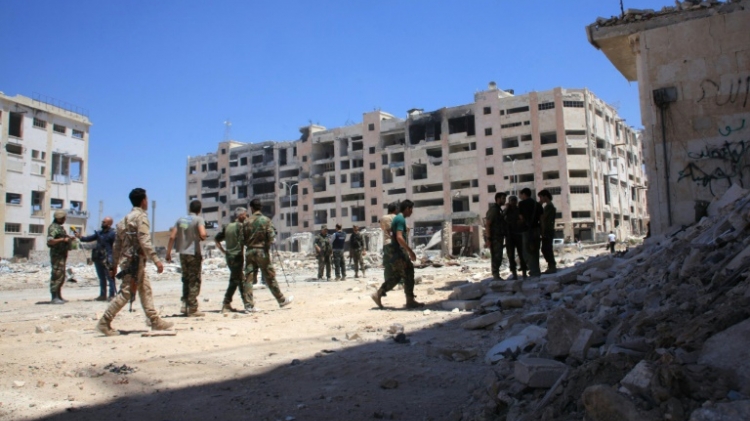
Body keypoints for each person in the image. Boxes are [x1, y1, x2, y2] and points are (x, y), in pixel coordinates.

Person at [96, 188, 173, 336]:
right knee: (126, 293)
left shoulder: (122, 221)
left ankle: (154, 320)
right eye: (147, 198)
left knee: (145, 289)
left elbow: (116, 246)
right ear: (143, 200)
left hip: (129, 261)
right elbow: (145, 241)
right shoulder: (140, 218)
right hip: (134, 261)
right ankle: (104, 322)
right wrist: (156, 260)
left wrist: (114, 265)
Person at [241, 198, 293, 311]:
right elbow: (271, 237)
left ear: (252, 208)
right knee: (269, 276)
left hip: (250, 251)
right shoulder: (266, 220)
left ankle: (248, 305)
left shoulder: (247, 222)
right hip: (262, 252)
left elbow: (242, 239)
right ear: (261, 207)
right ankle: (281, 300)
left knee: (248, 278)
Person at [371, 200, 424, 309]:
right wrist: (410, 251)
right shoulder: (399, 219)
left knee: (398, 275)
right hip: (398, 251)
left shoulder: (394, 219)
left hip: (393, 250)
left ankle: (379, 293)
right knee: (408, 271)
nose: (412, 212)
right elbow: (399, 237)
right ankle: (409, 300)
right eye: (411, 209)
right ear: (407, 209)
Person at [166, 200, 207, 317]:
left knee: (186, 279)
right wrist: (201, 237)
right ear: (199, 209)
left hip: (182, 253)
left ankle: (185, 305)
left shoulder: (181, 220)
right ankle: (193, 308)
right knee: (194, 280)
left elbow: (172, 236)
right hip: (193, 253)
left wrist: (168, 253)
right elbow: (203, 234)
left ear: (189, 208)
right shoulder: (198, 219)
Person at [215, 207, 250, 313]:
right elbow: (245, 241)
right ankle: (226, 303)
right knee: (235, 280)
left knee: (239, 279)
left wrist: (223, 251)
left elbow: (217, 239)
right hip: (237, 257)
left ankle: (247, 303)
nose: (246, 216)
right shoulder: (240, 226)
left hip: (229, 256)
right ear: (240, 216)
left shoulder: (227, 227)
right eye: (245, 215)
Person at [77, 217, 117, 301]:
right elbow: (88, 239)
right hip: (98, 257)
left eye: (104, 222)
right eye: (102, 222)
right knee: (101, 277)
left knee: (110, 277)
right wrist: (80, 237)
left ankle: (112, 295)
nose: (102, 223)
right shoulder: (99, 233)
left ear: (109, 224)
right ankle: (102, 295)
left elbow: (117, 246)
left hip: (107, 258)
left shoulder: (112, 234)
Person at [47, 209, 75, 304]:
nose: (64, 219)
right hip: (57, 256)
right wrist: (63, 239)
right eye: (63, 218)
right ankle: (54, 297)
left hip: (62, 255)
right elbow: (50, 241)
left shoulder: (59, 227)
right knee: (56, 275)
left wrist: (69, 238)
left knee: (61, 276)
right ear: (59, 218)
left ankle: (58, 296)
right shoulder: (53, 228)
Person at [518, 188, 543, 278]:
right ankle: (536, 270)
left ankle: (533, 271)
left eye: (520, 194)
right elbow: (541, 218)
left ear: (524, 194)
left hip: (526, 230)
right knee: (535, 250)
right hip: (536, 229)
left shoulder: (521, 204)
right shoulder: (537, 204)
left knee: (527, 251)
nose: (520, 196)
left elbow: (521, 217)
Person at [484, 192, 507, 280]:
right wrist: (489, 239)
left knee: (499, 256)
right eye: (503, 198)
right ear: (498, 199)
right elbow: (488, 224)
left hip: (499, 237)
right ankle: (495, 274)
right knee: (496, 256)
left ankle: (496, 274)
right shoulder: (494, 210)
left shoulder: (498, 209)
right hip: (494, 238)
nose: (504, 200)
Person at [504, 196, 527, 280]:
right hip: (509, 235)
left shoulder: (519, 210)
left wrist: (520, 222)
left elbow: (523, 220)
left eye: (514, 201)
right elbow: (502, 218)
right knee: (511, 255)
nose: (513, 202)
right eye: (511, 201)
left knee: (521, 254)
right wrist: (506, 209)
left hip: (518, 234)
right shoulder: (506, 211)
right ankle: (514, 273)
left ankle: (524, 271)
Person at [538, 189, 557, 274]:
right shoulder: (549, 206)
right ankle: (551, 265)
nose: (540, 199)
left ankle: (552, 265)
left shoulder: (549, 207)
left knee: (546, 248)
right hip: (548, 230)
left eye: (541, 197)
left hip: (548, 230)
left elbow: (543, 218)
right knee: (546, 248)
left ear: (545, 197)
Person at [380, 202, 398, 286]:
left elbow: (383, 228)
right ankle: (400, 283)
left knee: (387, 265)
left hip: (386, 243)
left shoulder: (383, 218)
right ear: (395, 210)